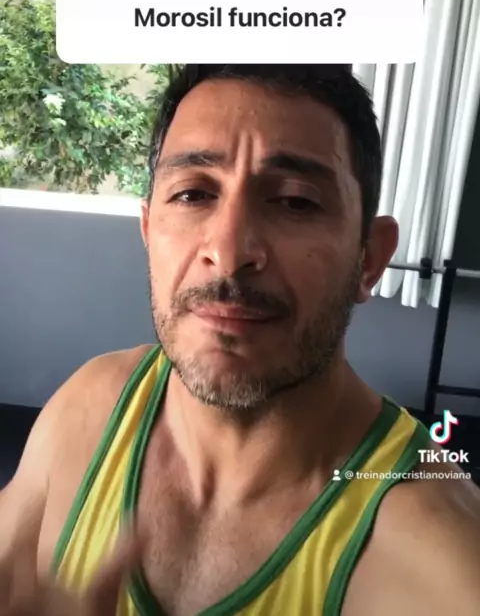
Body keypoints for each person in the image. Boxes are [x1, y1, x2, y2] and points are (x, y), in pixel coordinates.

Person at [1, 64, 479, 616]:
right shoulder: (90, 406)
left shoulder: (443, 566)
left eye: (296, 201)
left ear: (368, 259)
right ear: (148, 231)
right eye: (192, 194)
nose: (228, 253)